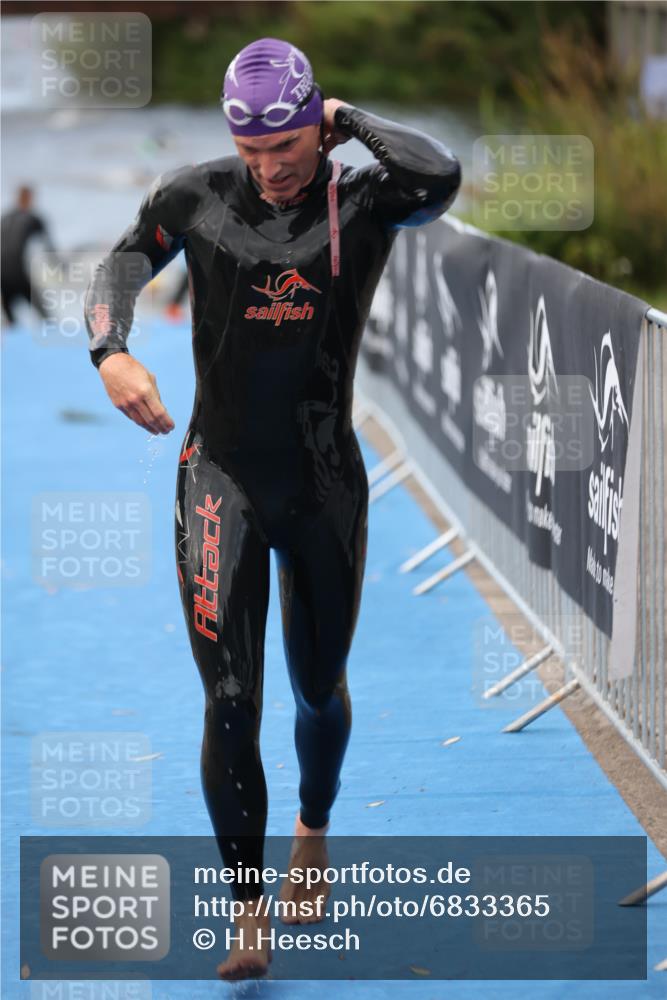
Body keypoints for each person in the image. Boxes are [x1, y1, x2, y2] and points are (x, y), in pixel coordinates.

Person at [84, 37, 461, 980]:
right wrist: (111, 352)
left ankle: (313, 825)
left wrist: (342, 122)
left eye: (286, 147)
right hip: (223, 479)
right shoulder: (197, 197)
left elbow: (439, 172)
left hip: (325, 480)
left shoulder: (364, 199)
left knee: (316, 686)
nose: (270, 169)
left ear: (317, 127)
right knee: (230, 701)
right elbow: (121, 267)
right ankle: (246, 909)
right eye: (252, 153)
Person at [1, 185, 55, 325]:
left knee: (10, 321)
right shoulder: (33, 218)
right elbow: (49, 247)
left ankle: (12, 344)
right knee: (46, 317)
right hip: (18, 272)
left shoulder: (5, 218)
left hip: (1, 273)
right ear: (30, 198)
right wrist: (59, 267)